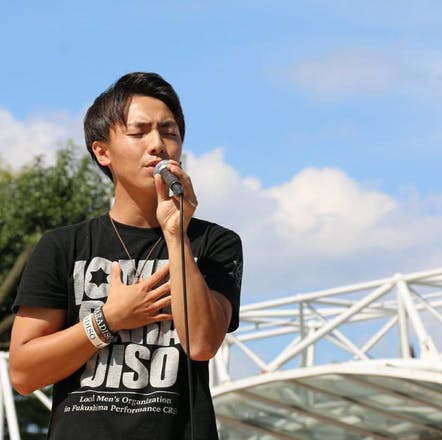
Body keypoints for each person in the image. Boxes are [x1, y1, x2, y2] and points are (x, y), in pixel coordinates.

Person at [9, 72, 243, 440]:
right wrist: (109, 320)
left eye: (169, 132)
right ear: (102, 152)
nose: (158, 145)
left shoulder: (215, 243)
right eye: (139, 133)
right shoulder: (62, 247)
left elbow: (201, 344)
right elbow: (24, 374)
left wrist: (176, 234)